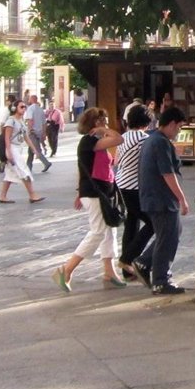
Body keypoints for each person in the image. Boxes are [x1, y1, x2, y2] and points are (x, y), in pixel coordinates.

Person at [51, 107, 126, 293]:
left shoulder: (97, 143)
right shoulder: (90, 141)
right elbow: (118, 139)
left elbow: (85, 167)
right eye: (103, 120)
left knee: (109, 231)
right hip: (95, 193)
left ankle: (109, 271)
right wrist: (103, 131)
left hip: (102, 192)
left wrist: (79, 192)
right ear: (96, 122)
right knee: (98, 231)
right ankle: (66, 269)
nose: (106, 123)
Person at [130, 105, 190, 295]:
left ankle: (144, 262)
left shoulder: (153, 139)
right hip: (161, 198)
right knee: (167, 238)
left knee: (172, 232)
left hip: (155, 197)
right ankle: (161, 280)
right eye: (179, 127)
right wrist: (182, 199)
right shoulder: (160, 142)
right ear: (171, 124)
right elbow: (167, 173)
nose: (179, 131)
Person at [115, 103, 154, 280]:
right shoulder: (144, 139)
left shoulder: (123, 137)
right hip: (135, 186)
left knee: (131, 224)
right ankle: (127, 259)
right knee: (153, 223)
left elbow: (117, 161)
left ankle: (127, 270)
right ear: (147, 121)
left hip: (121, 184)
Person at [0, 100, 44, 204]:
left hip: (18, 148)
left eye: (25, 107)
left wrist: (34, 149)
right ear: (15, 108)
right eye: (21, 107)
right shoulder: (11, 121)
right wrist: (9, 152)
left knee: (10, 174)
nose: (24, 109)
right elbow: (7, 138)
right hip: (12, 148)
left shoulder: (21, 121)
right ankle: (32, 195)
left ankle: (2, 196)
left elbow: (26, 137)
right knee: (24, 171)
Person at [23, 94, 51, 172]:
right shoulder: (40, 109)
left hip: (33, 132)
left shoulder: (30, 109)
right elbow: (44, 123)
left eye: (30, 99)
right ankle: (29, 166)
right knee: (31, 150)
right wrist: (44, 133)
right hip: (39, 132)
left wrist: (30, 130)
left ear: (32, 100)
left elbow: (30, 120)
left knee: (36, 149)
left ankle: (46, 163)